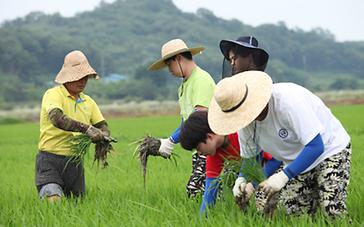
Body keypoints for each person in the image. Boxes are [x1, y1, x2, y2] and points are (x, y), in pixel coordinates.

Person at [208, 71, 352, 217]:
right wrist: (243, 179)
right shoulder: (244, 124)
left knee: (332, 210)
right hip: (295, 159)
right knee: (297, 216)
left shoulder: (288, 102)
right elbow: (251, 159)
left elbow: (316, 146)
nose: (242, 119)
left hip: (330, 149)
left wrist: (284, 176)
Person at [36, 50, 112, 202]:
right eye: (77, 76)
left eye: (85, 77)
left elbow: (103, 126)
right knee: (53, 197)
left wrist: (103, 136)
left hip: (75, 163)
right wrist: (87, 129)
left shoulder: (88, 101)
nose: (82, 81)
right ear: (67, 76)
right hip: (50, 159)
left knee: (76, 206)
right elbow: (56, 118)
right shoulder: (53, 94)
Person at [148, 39, 215, 197]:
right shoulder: (184, 85)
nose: (169, 70)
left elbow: (199, 119)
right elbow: (187, 119)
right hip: (199, 149)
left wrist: (171, 140)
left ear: (178, 58)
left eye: (169, 64)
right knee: (201, 193)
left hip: (210, 146)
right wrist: (171, 139)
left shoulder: (201, 80)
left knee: (196, 192)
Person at [180, 111, 281, 215]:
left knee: (268, 208)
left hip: (284, 163)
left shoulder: (240, 133)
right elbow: (210, 191)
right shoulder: (214, 154)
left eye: (198, 148)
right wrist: (202, 220)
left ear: (209, 137)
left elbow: (276, 159)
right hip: (258, 171)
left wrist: (253, 184)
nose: (200, 153)